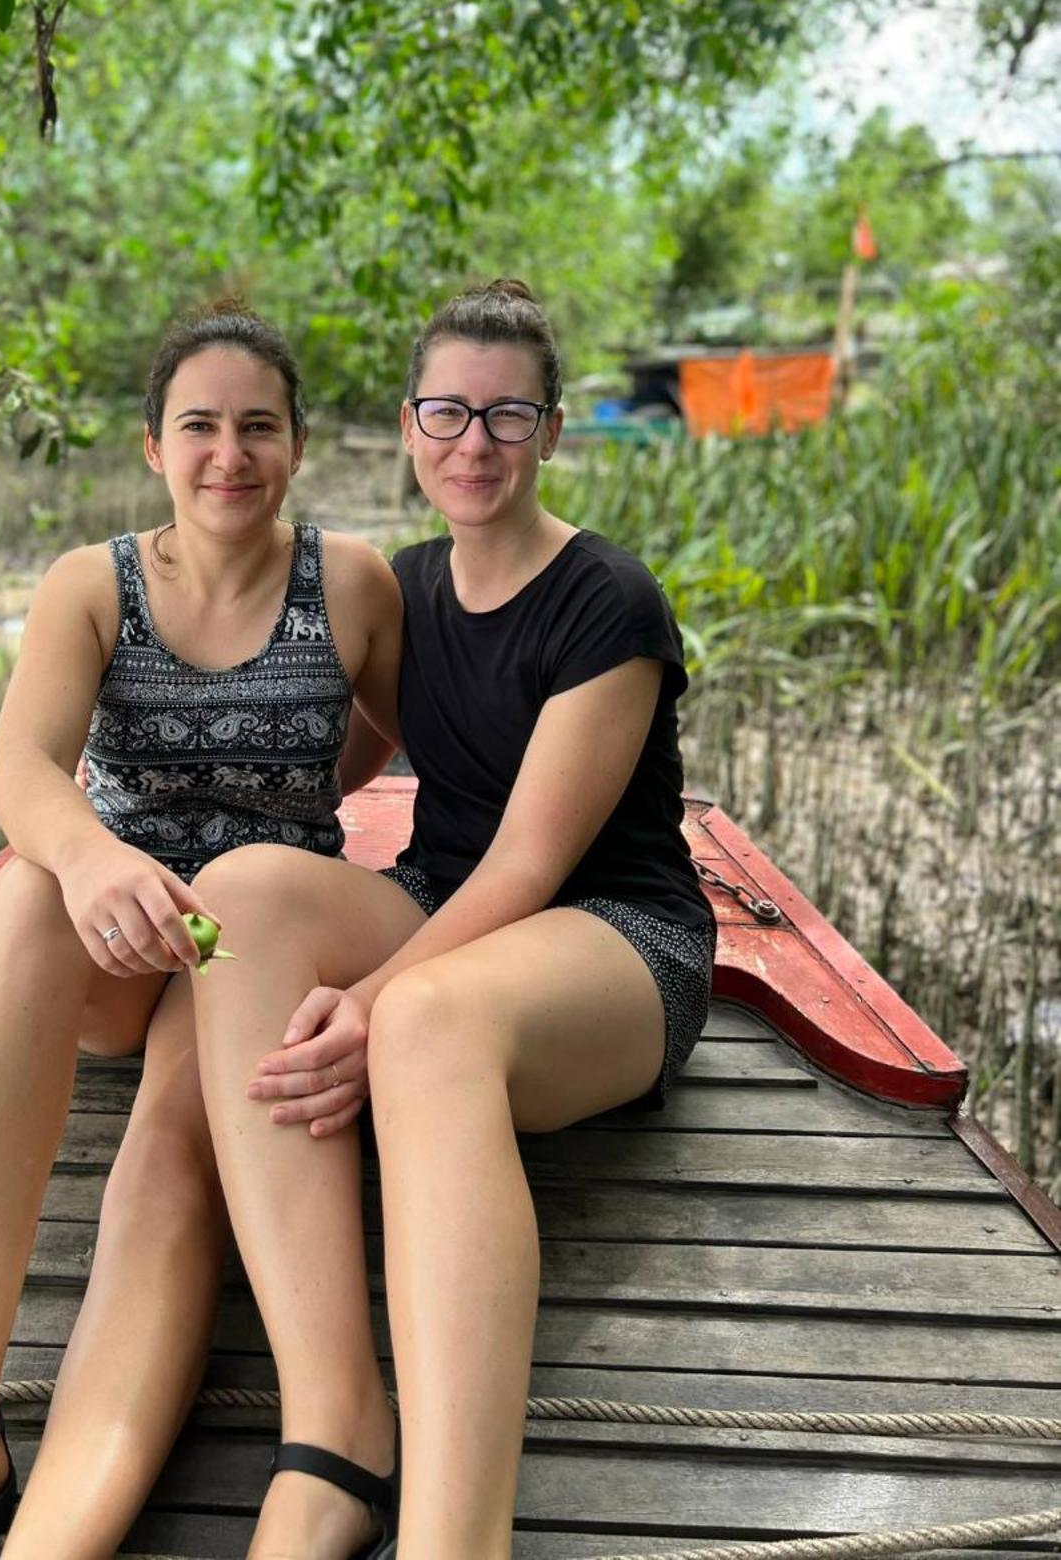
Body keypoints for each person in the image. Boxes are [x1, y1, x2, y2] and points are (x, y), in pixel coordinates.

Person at [0, 302, 402, 1560]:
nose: (229, 455)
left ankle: (46, 1533)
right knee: (28, 885)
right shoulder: (95, 584)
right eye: (199, 425)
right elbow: (21, 765)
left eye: (259, 426)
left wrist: (317, 800)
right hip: (113, 938)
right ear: (154, 445)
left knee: (161, 1156)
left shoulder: (353, 582)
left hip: (243, 954)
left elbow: (406, 735)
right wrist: (92, 852)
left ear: (297, 445)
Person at [187, 279, 717, 1560]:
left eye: (506, 414)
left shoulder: (610, 603)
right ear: (411, 424)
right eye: (447, 411)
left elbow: (531, 862)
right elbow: (340, 761)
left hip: (614, 939)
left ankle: (451, 1538)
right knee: (245, 892)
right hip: (444, 907)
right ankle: (334, 1429)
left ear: (549, 431)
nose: (473, 442)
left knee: (422, 1018)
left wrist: (368, 998)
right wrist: (160, 828)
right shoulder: (407, 589)